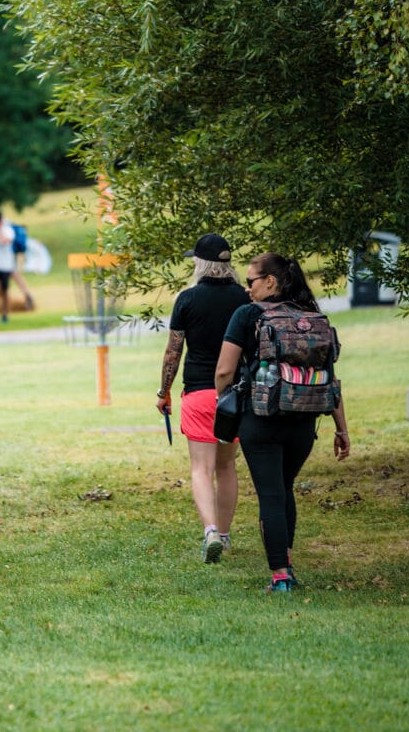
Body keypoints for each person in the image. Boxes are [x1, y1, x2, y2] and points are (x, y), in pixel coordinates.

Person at [215, 252, 351, 593]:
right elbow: (331, 378)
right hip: (304, 422)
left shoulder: (246, 315)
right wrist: (341, 428)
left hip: (260, 420)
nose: (247, 289)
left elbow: (223, 371)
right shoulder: (313, 317)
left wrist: (225, 400)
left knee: (271, 495)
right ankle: (286, 561)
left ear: (270, 281)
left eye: (250, 281)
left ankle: (281, 576)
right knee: (284, 488)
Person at [157, 233, 249, 563]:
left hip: (197, 392)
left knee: (201, 467)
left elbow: (173, 352)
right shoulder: (246, 298)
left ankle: (209, 530)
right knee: (226, 466)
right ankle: (223, 536)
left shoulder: (187, 299)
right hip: (235, 396)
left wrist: (164, 391)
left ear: (201, 263)